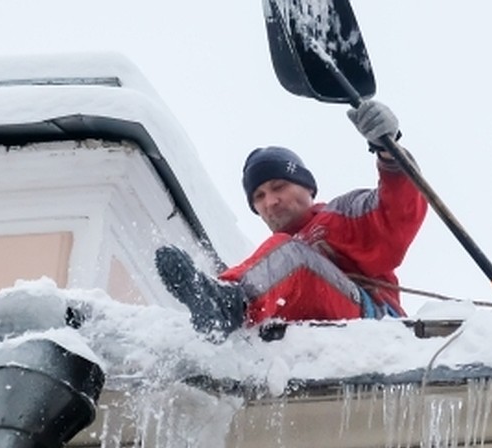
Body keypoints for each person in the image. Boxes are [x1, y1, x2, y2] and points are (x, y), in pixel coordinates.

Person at [155, 99, 428, 338]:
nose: (270, 202)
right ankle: (220, 303)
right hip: (310, 331)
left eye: (278, 187)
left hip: (372, 323)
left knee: (289, 256)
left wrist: (388, 151)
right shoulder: (269, 262)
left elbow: (398, 211)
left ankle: (228, 305)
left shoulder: (339, 216)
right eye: (258, 197)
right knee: (278, 258)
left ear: (308, 187)